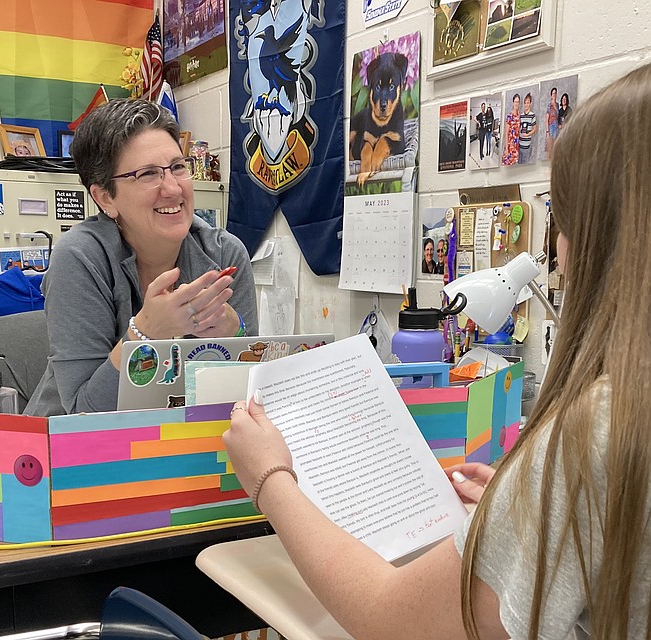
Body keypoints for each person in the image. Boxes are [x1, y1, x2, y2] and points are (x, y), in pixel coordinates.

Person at [223, 62, 651, 639]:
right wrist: (523, 511)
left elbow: (393, 621)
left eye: (561, 221)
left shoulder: (605, 428)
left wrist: (270, 478)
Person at [25, 99, 258, 416]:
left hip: (183, 442)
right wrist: (144, 333)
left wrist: (235, 330)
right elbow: (84, 414)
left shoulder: (225, 253)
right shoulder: (80, 257)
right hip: (77, 451)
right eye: (148, 174)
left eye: (177, 167)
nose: (174, 189)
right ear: (106, 197)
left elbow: (248, 396)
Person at [501, 93, 520, 166]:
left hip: (516, 145)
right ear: (513, 102)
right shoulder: (510, 116)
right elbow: (506, 133)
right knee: (507, 164)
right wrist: (506, 148)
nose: (516, 103)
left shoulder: (519, 114)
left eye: (518, 102)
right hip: (510, 145)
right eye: (515, 101)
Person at [545, 86, 559, 157]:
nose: (554, 95)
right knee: (550, 144)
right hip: (551, 126)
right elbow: (546, 118)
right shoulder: (549, 105)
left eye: (555, 93)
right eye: (553, 93)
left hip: (556, 126)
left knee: (555, 145)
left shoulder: (557, 104)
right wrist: (547, 131)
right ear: (551, 95)